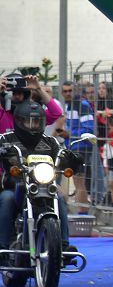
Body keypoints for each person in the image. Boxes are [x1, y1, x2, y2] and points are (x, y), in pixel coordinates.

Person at [0, 100, 80, 259]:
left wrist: (72, 158)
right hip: (15, 186)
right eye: (28, 121)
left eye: (36, 121)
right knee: (7, 199)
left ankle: (63, 246)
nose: (33, 125)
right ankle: (4, 246)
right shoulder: (5, 139)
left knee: (59, 198)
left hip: (44, 186)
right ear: (19, 121)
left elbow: (61, 156)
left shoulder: (50, 141)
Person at [59, 81, 96, 211]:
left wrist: (70, 134)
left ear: (75, 91)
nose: (68, 93)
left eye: (70, 90)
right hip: (73, 146)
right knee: (78, 182)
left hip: (82, 147)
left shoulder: (82, 105)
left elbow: (89, 129)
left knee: (80, 182)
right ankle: (82, 212)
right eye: (65, 91)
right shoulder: (69, 106)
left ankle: (83, 213)